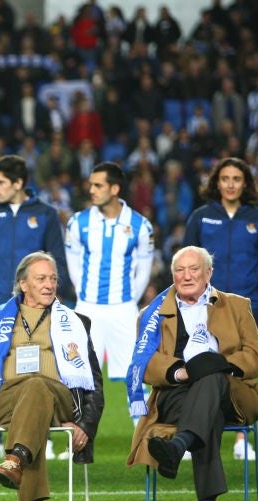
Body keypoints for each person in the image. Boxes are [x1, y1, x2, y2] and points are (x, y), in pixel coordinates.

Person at [0, 252, 104, 501]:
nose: (49, 285)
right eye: (41, 279)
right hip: (5, 400)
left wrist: (86, 425)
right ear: (23, 284)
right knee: (32, 406)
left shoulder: (74, 321)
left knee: (36, 385)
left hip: (60, 399)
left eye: (53, 279)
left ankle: (15, 462)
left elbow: (94, 381)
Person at [126, 246, 258, 501]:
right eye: (180, 270)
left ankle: (179, 447)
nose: (186, 276)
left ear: (208, 273)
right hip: (176, 394)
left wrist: (219, 365)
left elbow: (255, 357)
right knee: (206, 412)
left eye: (194, 269)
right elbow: (145, 365)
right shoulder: (152, 315)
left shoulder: (236, 306)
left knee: (211, 377)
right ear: (173, 274)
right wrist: (179, 372)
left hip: (231, 393)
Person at [0, 155, 70, 460]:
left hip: (35, 305)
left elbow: (57, 258)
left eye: (0, 182)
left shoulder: (46, 214)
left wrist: (54, 296)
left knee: (41, 368)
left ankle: (45, 436)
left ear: (18, 183)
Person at [183, 157, 258, 460]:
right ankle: (194, 434)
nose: (231, 184)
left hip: (248, 306)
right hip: (205, 305)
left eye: (237, 178)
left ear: (245, 183)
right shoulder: (201, 216)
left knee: (243, 369)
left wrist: (243, 292)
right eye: (225, 178)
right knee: (200, 365)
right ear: (216, 183)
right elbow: (187, 258)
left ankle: (239, 440)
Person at [65, 162, 153, 423]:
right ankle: (75, 440)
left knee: (135, 376)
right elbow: (73, 266)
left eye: (98, 185)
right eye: (90, 184)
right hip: (87, 308)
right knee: (77, 377)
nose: (91, 189)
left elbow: (144, 272)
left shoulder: (140, 226)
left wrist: (126, 301)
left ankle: (144, 437)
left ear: (114, 189)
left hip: (123, 310)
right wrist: (85, 296)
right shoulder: (77, 223)